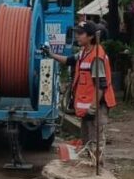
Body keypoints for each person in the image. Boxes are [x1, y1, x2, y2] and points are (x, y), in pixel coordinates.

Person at [44, 21, 117, 158]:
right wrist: (51, 54)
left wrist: (93, 108)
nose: (77, 36)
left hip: (96, 106)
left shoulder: (96, 57)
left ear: (90, 37)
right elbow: (69, 60)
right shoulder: (84, 53)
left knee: (96, 143)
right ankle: (89, 169)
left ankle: (97, 173)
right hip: (88, 107)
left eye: (80, 33)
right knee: (87, 141)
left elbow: (101, 86)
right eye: (76, 33)